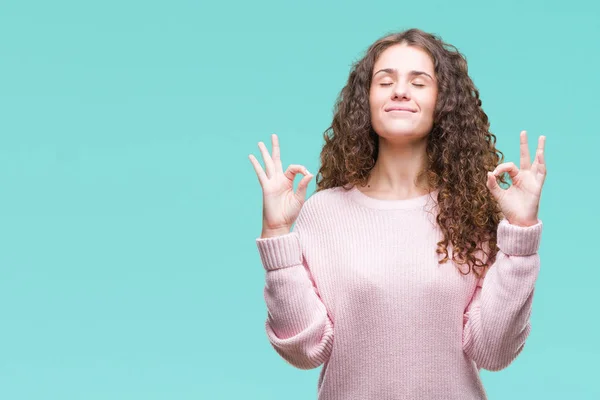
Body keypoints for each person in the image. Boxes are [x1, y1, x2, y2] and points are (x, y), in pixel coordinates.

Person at [248, 28, 546, 400]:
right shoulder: (323, 213)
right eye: (385, 81)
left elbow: (494, 351)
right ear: (367, 100)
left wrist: (520, 233)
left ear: (442, 102)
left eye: (419, 83)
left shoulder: (470, 211)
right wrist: (276, 233)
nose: (400, 91)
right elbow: (304, 350)